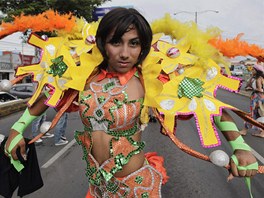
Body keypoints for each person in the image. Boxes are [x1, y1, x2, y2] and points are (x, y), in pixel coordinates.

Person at [4, 7, 260, 197]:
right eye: (116, 42)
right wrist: (17, 129)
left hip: (137, 186)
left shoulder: (152, 79)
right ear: (103, 43)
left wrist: (240, 147)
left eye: (133, 43)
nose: (125, 52)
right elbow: (47, 97)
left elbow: (209, 107)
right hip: (98, 185)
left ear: (143, 47)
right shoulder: (83, 75)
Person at [240, 63, 264, 138]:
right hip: (258, 97)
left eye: (253, 69)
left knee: (251, 113)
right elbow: (247, 85)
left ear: (257, 71)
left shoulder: (258, 78)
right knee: (258, 114)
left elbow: (260, 89)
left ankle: (244, 130)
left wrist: (253, 89)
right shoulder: (255, 78)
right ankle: (262, 133)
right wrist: (251, 78)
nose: (252, 70)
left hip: (257, 97)